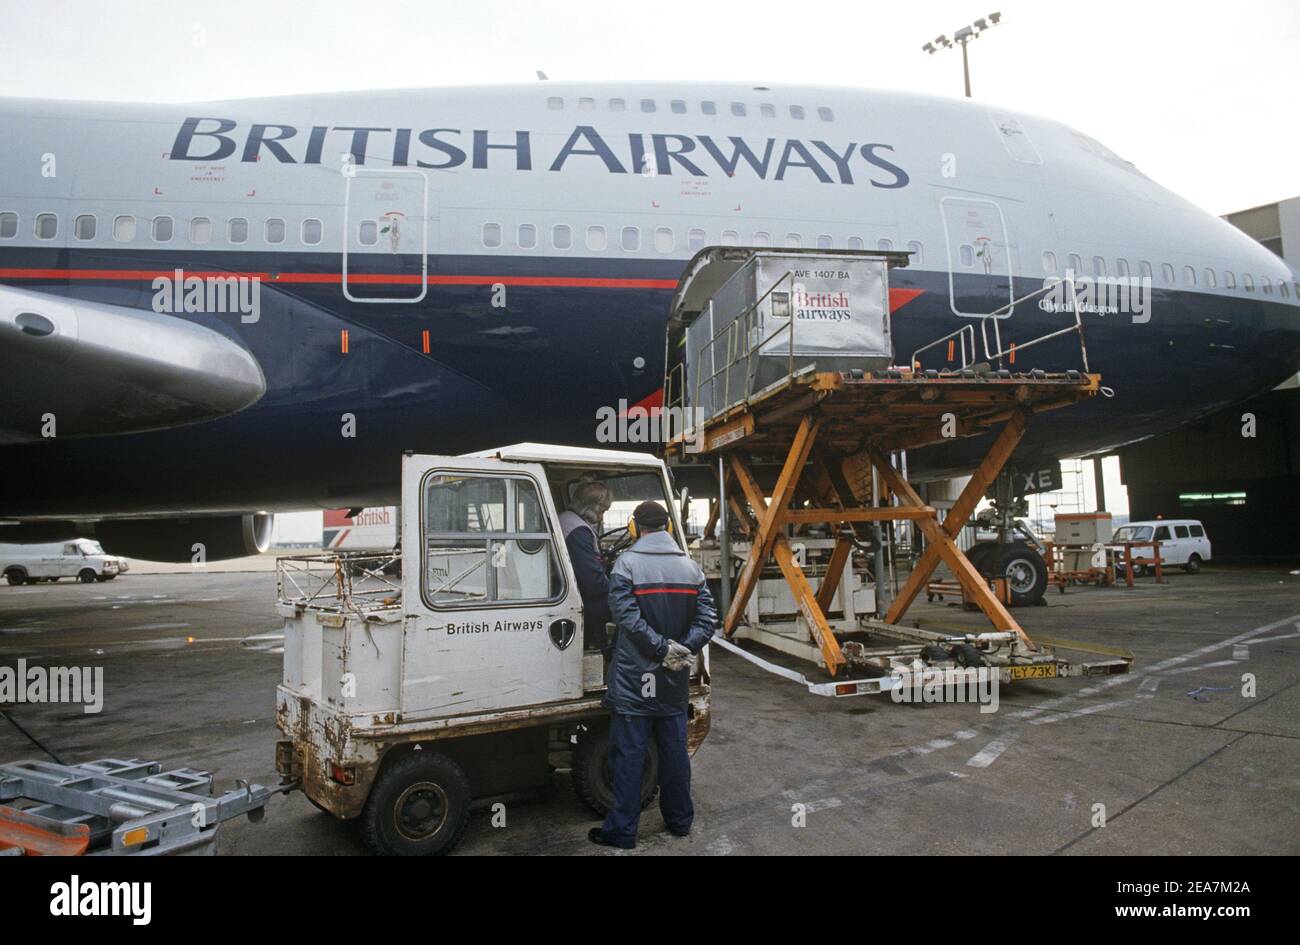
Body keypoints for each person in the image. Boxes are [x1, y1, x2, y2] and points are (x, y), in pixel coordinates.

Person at [589, 500, 716, 849]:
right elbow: (708, 619)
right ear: (668, 528)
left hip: (634, 681)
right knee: (675, 754)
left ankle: (621, 831)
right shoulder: (691, 568)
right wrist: (681, 649)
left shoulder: (626, 564)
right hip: (673, 679)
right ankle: (679, 822)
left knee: (629, 756)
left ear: (634, 528)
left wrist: (660, 648)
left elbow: (626, 617)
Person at [559, 481, 613, 652]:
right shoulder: (578, 531)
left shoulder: (566, 519)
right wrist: (614, 587)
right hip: (584, 606)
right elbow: (593, 582)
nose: (602, 517)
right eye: (602, 511)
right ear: (590, 507)